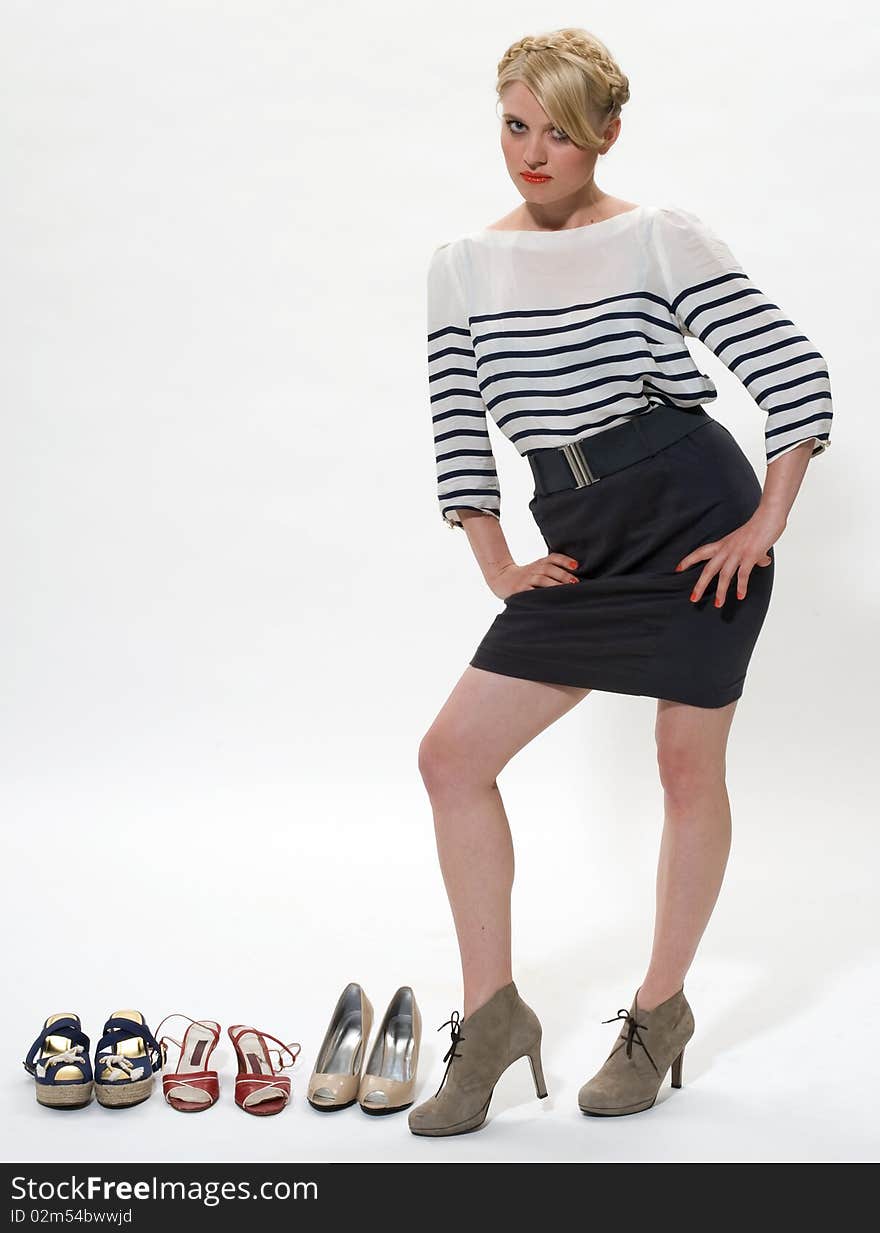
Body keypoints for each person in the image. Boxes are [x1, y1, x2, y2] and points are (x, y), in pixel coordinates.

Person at [408, 27, 833, 1138]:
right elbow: (460, 428)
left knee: (683, 765)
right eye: (513, 126)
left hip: (688, 511)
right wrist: (495, 560)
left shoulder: (658, 238)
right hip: (577, 533)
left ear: (604, 131)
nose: (532, 154)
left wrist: (764, 525)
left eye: (557, 130)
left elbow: (793, 375)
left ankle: (657, 1016)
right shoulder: (461, 265)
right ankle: (493, 1018)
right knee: (452, 758)